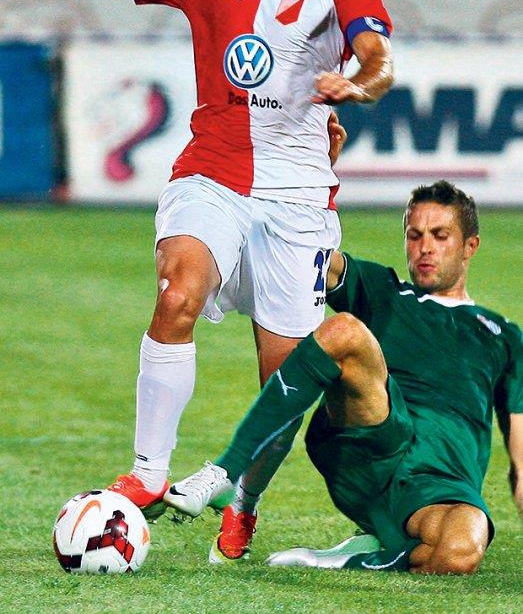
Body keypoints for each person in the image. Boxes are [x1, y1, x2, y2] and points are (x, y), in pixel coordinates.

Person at [0, 0, 394, 545]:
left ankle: (244, 500)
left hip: (298, 199)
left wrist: (359, 84)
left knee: (283, 382)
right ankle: (148, 472)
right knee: (176, 294)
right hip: (211, 174)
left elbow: (377, 56)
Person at [165, 181, 523, 574]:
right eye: (414, 235)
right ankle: (226, 472)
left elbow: (521, 461)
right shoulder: (384, 291)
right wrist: (301, 185)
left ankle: (348, 558)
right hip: (371, 443)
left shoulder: (504, 335)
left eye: (440, 236)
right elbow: (310, 254)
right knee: (345, 331)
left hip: (442, 485)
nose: (425, 248)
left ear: (470, 245)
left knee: (461, 549)